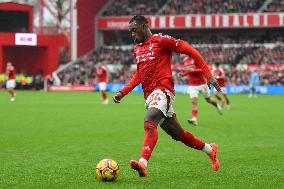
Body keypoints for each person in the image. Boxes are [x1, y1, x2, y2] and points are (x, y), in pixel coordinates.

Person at [112, 15, 221, 177]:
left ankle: (143, 163)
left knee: (149, 121)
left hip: (163, 91)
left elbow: (190, 50)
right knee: (179, 134)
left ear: (144, 26)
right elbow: (139, 75)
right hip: (150, 96)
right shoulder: (138, 50)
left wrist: (208, 74)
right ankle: (209, 149)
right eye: (130, 32)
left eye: (134, 30)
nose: (132, 35)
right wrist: (123, 92)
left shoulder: (161, 40)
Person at [179, 57, 222, 126]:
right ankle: (194, 119)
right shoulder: (185, 60)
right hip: (192, 85)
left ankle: (217, 105)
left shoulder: (196, 58)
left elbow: (203, 69)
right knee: (194, 102)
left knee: (208, 99)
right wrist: (183, 74)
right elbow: (189, 70)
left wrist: (194, 70)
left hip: (202, 84)